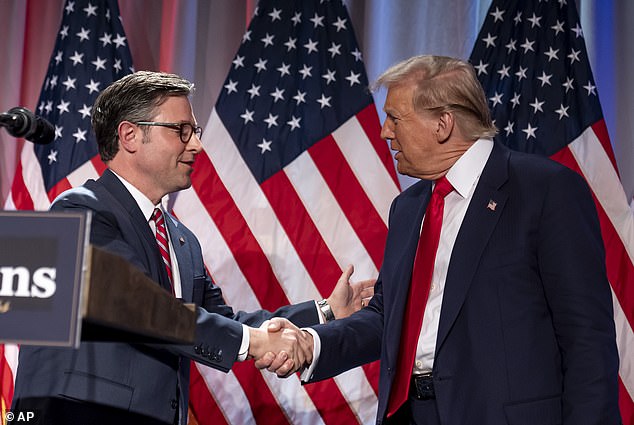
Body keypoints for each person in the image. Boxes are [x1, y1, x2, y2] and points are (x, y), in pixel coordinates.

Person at [264, 55, 621, 424]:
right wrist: (313, 343)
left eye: (395, 118)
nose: (385, 132)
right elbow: (388, 319)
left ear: (443, 124)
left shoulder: (543, 191)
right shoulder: (408, 207)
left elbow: (587, 342)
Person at [10, 71, 373, 425]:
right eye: (181, 131)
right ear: (130, 135)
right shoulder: (80, 210)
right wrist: (254, 342)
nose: (196, 145)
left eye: (194, 132)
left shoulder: (182, 240)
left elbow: (220, 320)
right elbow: (138, 308)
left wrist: (323, 311)